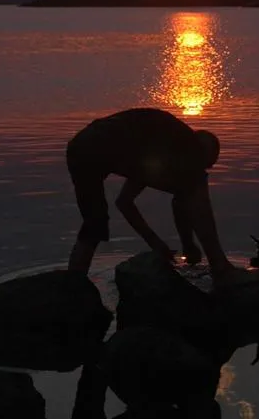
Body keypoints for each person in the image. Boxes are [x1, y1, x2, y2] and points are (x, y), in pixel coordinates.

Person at [66, 107, 241, 286]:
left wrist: (156, 243)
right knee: (196, 185)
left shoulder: (153, 154)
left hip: (80, 146)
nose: (201, 169)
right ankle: (220, 266)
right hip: (98, 144)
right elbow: (188, 192)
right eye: (205, 164)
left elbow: (124, 202)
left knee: (94, 224)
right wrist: (188, 244)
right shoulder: (184, 143)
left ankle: (74, 285)